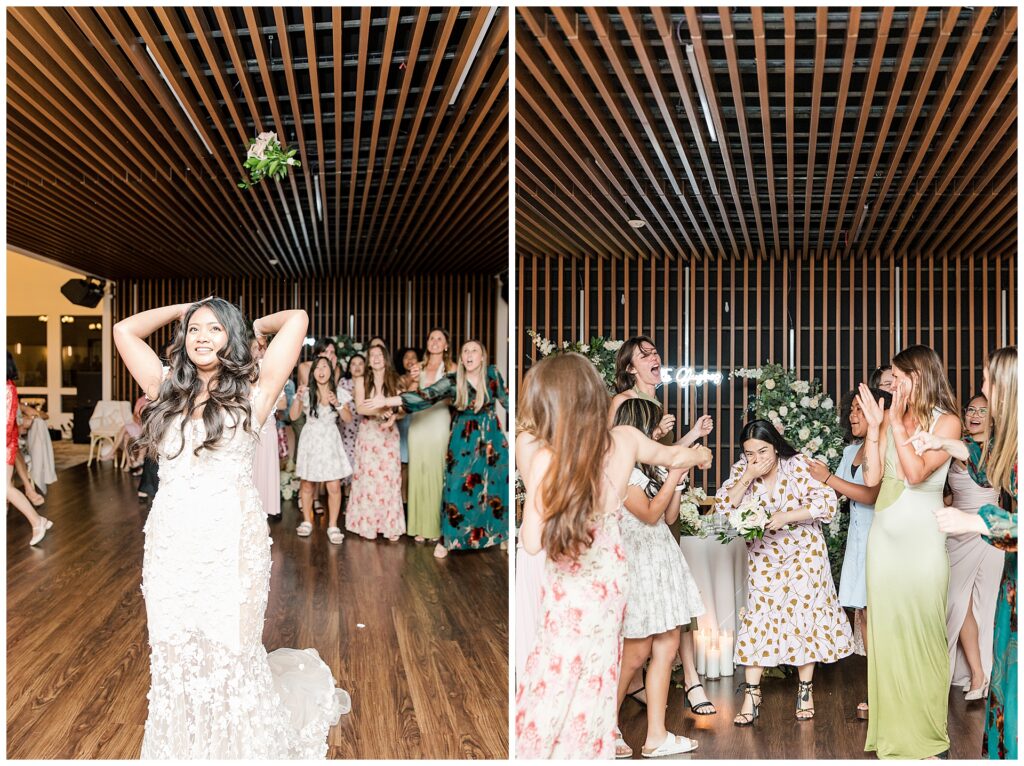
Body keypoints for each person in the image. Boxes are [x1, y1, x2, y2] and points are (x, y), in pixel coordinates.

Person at [113, 297, 348, 758]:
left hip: (231, 543)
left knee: (232, 650)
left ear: (233, 339)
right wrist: (187, 307)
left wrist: (254, 323)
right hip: (172, 542)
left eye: (216, 329)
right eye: (195, 329)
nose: (203, 336)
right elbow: (124, 330)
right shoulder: (164, 387)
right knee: (174, 650)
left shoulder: (255, 391)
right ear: (183, 337)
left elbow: (297, 320)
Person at [514, 353, 713, 759]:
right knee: (596, 681)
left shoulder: (547, 457)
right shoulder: (623, 441)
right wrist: (698, 454)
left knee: (556, 679)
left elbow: (532, 542)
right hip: (608, 593)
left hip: (570, 597)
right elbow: (675, 456)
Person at [909, 346, 1017, 760]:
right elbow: (983, 460)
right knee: (1005, 687)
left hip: (1003, 563)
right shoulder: (1006, 443)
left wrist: (977, 523)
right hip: (1013, 581)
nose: (983, 388)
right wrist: (940, 441)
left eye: (989, 381)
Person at [857, 344, 961, 760]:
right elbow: (872, 479)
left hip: (923, 542)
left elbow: (916, 474)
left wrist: (895, 425)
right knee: (887, 636)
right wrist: (873, 429)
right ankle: (893, 735)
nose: (892, 384)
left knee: (925, 633)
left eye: (898, 377)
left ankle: (927, 734)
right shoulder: (887, 417)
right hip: (884, 540)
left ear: (920, 377)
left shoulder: (948, 423)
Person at [715, 419, 853, 725]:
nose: (756, 458)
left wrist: (786, 516)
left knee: (805, 618)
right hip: (764, 558)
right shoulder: (743, 471)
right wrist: (747, 476)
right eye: (749, 453)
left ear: (775, 446)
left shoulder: (798, 465)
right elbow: (723, 508)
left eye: (762, 451)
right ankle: (752, 694)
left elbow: (827, 504)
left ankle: (805, 689)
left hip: (805, 555)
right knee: (758, 619)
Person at [608, 335, 716, 714]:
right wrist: (679, 451)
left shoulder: (652, 404)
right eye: (645, 354)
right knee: (644, 629)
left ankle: (678, 687)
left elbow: (659, 459)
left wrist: (690, 437)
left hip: (655, 504)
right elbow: (626, 454)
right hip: (635, 510)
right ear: (629, 368)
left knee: (669, 614)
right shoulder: (623, 405)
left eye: (655, 352)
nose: (655, 357)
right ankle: (676, 684)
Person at [612, 398, 703, 758]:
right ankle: (602, 726)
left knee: (667, 645)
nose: (658, 437)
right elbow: (648, 514)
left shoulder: (650, 470)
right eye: (652, 429)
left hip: (661, 561)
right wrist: (676, 475)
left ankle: (656, 736)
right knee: (635, 655)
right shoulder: (622, 472)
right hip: (638, 565)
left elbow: (668, 518)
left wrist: (673, 481)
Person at [373, 340, 507, 558]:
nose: (469, 354)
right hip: (463, 436)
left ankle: (502, 535)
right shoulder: (453, 380)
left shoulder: (492, 374)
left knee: (495, 485)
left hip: (491, 436)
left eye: (475, 350)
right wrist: (389, 400)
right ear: (461, 358)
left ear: (482, 356)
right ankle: (447, 540)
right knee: (455, 486)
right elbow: (425, 397)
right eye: (465, 351)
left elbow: (507, 401)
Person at [806, 387, 890, 718]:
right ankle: (877, 691)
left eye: (859, 409)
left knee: (882, 618)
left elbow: (870, 494)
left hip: (881, 539)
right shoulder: (849, 451)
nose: (852, 415)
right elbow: (832, 492)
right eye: (851, 409)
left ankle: (888, 694)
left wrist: (827, 478)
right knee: (866, 617)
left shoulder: (885, 448)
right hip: (858, 542)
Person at [941, 394, 1003, 701]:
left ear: (993, 418)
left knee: (985, 605)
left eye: (983, 411)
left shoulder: (1002, 448)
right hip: (957, 533)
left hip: (990, 531)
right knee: (956, 601)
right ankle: (972, 671)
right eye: (971, 410)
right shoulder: (954, 446)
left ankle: (983, 675)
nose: (975, 415)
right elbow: (948, 493)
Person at [290, 355, 353, 542]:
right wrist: (298, 399)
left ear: (330, 371)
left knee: (333, 485)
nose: (321, 370)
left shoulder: (339, 392)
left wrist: (338, 404)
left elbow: (348, 419)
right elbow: (293, 416)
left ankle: (333, 525)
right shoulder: (305, 391)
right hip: (311, 439)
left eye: (325, 367)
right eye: (317, 367)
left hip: (330, 440)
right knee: (307, 483)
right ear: (313, 372)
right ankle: (307, 521)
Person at [347, 344, 405, 541]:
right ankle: (368, 525)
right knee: (368, 480)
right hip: (369, 434)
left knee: (389, 480)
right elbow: (361, 408)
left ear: (385, 358)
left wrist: (393, 415)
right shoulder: (362, 380)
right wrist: (382, 409)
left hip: (388, 435)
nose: (376, 358)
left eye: (380, 354)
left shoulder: (395, 380)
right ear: (369, 360)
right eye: (372, 355)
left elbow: (403, 407)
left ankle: (389, 526)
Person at [405, 329, 456, 543]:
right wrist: (414, 380)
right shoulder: (419, 367)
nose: (435, 342)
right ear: (427, 343)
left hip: (439, 422)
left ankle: (435, 526)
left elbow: (456, 398)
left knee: (437, 473)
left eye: (439, 339)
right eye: (431, 338)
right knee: (418, 471)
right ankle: (418, 526)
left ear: (446, 345)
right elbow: (409, 396)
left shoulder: (452, 368)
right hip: (418, 423)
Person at [6, 352, 51, 545]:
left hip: (6, 444)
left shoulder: (6, 388)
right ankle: (38, 521)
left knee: (5, 488)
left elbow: (7, 423)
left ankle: (37, 521)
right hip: (8, 442)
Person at [395, 346, 421, 504]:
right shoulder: (398, 379)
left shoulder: (424, 378)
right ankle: (404, 500)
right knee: (403, 464)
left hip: (420, 421)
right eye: (406, 357)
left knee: (417, 464)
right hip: (403, 422)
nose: (410, 360)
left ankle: (416, 500)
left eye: (413, 357)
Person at [338, 353, 365, 494]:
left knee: (362, 466)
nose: (357, 367)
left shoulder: (368, 382)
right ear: (349, 367)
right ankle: (348, 498)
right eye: (353, 364)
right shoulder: (343, 382)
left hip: (364, 428)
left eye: (360, 363)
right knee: (348, 465)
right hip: (347, 429)